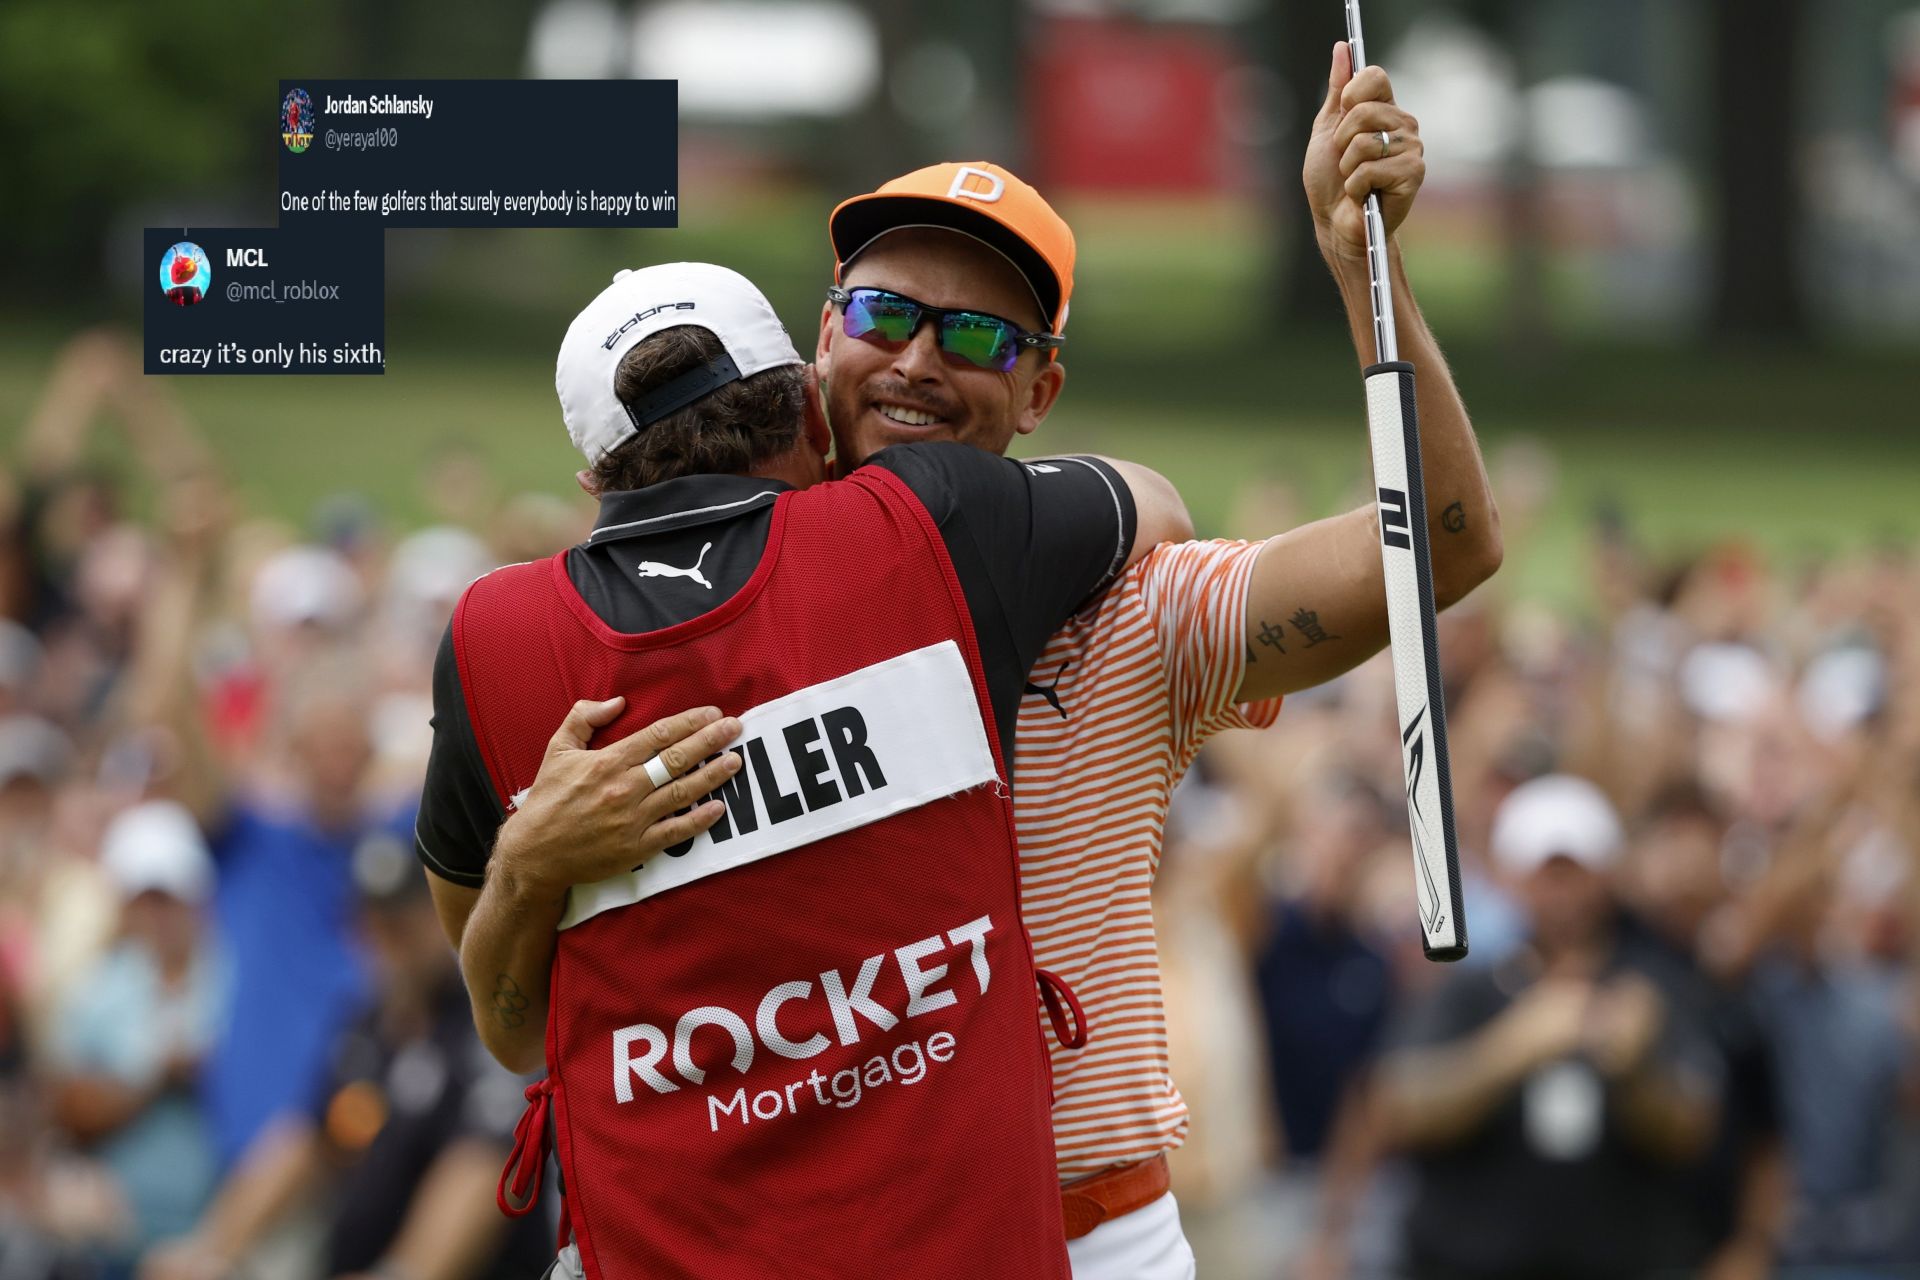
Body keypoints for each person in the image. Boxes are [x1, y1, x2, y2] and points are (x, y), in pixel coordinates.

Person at [449, 39, 1503, 1276]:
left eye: (978, 338)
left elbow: (1440, 537)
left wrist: (1363, 274)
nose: (917, 361)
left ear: (1042, 386)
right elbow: (522, 1023)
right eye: (885, 314)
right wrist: (525, 861)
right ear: (814, 347)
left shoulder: (1136, 609)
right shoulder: (639, 629)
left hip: (1082, 1226)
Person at [413, 262, 1189, 1278]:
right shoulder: (929, 521)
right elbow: (1156, 503)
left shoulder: (493, 641)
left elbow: (514, 1031)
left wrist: (528, 862)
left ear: (596, 484)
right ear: (811, 419)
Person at [138, 831, 545, 1280]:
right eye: (371, 923)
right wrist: (211, 1251)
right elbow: (306, 1141)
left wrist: (401, 1274)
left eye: (402, 922)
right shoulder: (366, 1029)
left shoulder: (489, 1023)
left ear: (439, 916)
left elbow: (483, 1166)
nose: (386, 941)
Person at [1374, 774, 1725, 1279]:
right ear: (1510, 878)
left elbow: (1693, 1131)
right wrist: (1515, 1048)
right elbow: (1397, 1109)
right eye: (1543, 873)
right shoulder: (1466, 988)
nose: (1559, 893)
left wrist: (1633, 1069)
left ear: (1607, 876)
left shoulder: (1649, 991)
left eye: (1574, 872)